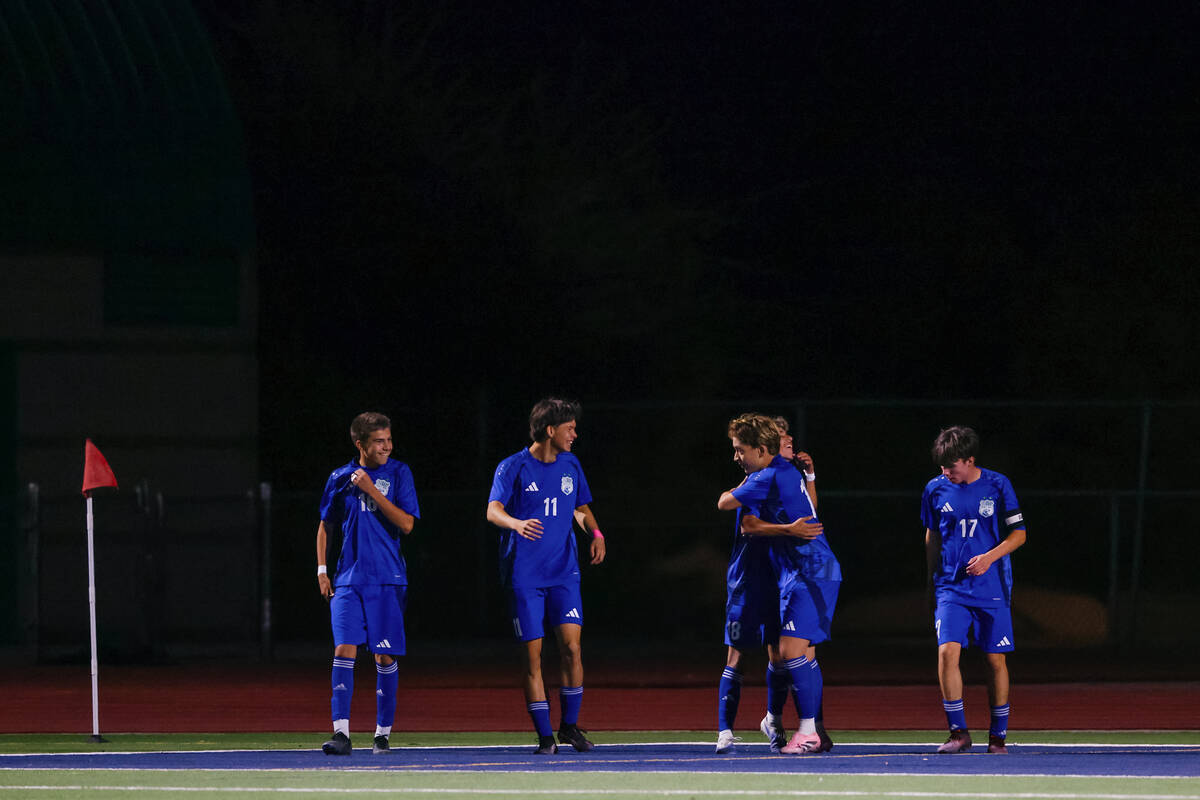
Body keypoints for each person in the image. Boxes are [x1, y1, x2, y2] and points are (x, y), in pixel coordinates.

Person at [486, 397, 607, 755]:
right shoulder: (513, 467)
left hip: (564, 573)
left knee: (572, 649)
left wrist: (596, 534)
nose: (575, 434)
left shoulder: (570, 464)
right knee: (533, 657)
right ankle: (544, 737)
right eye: (570, 428)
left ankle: (569, 726)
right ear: (550, 430)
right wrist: (516, 522)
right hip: (525, 576)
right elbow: (493, 510)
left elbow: (580, 508)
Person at [716, 414, 839, 755]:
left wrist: (736, 490)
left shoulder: (768, 475)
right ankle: (807, 729)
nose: (737, 456)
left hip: (810, 569)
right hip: (806, 569)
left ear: (760, 449)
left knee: (788, 652)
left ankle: (808, 730)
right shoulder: (787, 472)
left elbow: (724, 503)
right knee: (799, 654)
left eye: (741, 450)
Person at [316, 412, 420, 756]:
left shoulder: (399, 473)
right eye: (379, 441)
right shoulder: (338, 477)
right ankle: (341, 734)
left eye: (389, 440)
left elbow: (406, 524)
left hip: (387, 580)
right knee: (343, 648)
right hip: (348, 580)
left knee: (383, 655)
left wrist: (371, 489)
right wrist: (322, 569)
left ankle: (382, 734)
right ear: (359, 444)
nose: (386, 446)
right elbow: (326, 525)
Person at [921, 425, 1026, 755]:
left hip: (991, 586)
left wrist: (989, 558)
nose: (945, 472)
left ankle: (997, 738)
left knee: (995, 660)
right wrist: (931, 580)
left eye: (951, 466)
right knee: (947, 652)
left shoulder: (997, 484)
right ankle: (958, 733)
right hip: (951, 588)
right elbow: (932, 535)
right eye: (941, 466)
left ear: (969, 460)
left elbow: (1019, 534)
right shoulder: (935, 489)